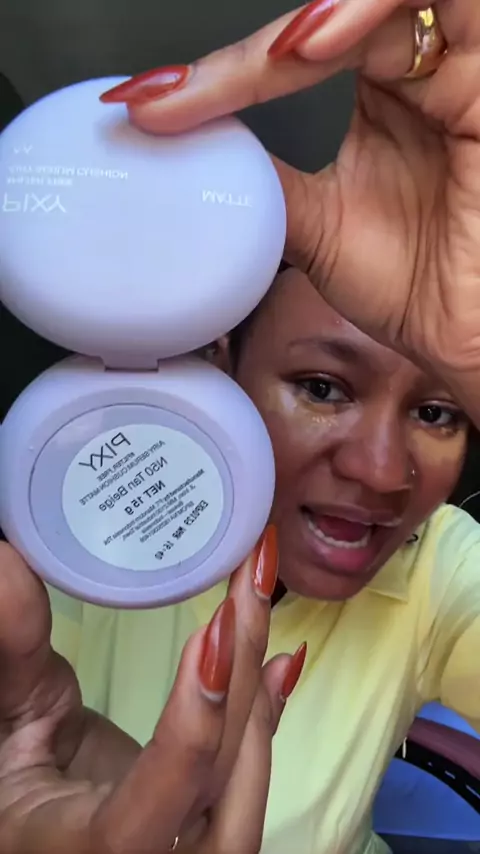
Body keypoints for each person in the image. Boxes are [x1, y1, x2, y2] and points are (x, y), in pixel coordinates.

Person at [2, 1, 480, 852]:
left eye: (439, 410)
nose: (381, 472)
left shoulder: (442, 569)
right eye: (323, 388)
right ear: (217, 367)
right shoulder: (79, 531)